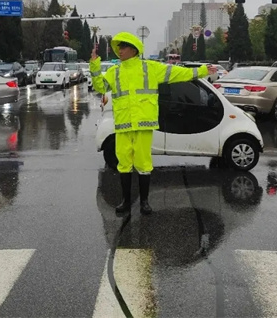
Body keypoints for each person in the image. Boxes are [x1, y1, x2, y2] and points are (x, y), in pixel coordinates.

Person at [90, 32, 216, 215]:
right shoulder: (114, 71)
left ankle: (144, 202)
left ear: (133, 49)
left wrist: (203, 70)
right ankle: (125, 202)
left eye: (123, 47)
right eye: (118, 47)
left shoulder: (150, 68)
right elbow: (100, 86)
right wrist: (94, 64)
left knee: (143, 163)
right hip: (123, 124)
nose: (119, 50)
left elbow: (179, 73)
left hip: (143, 124)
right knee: (123, 164)